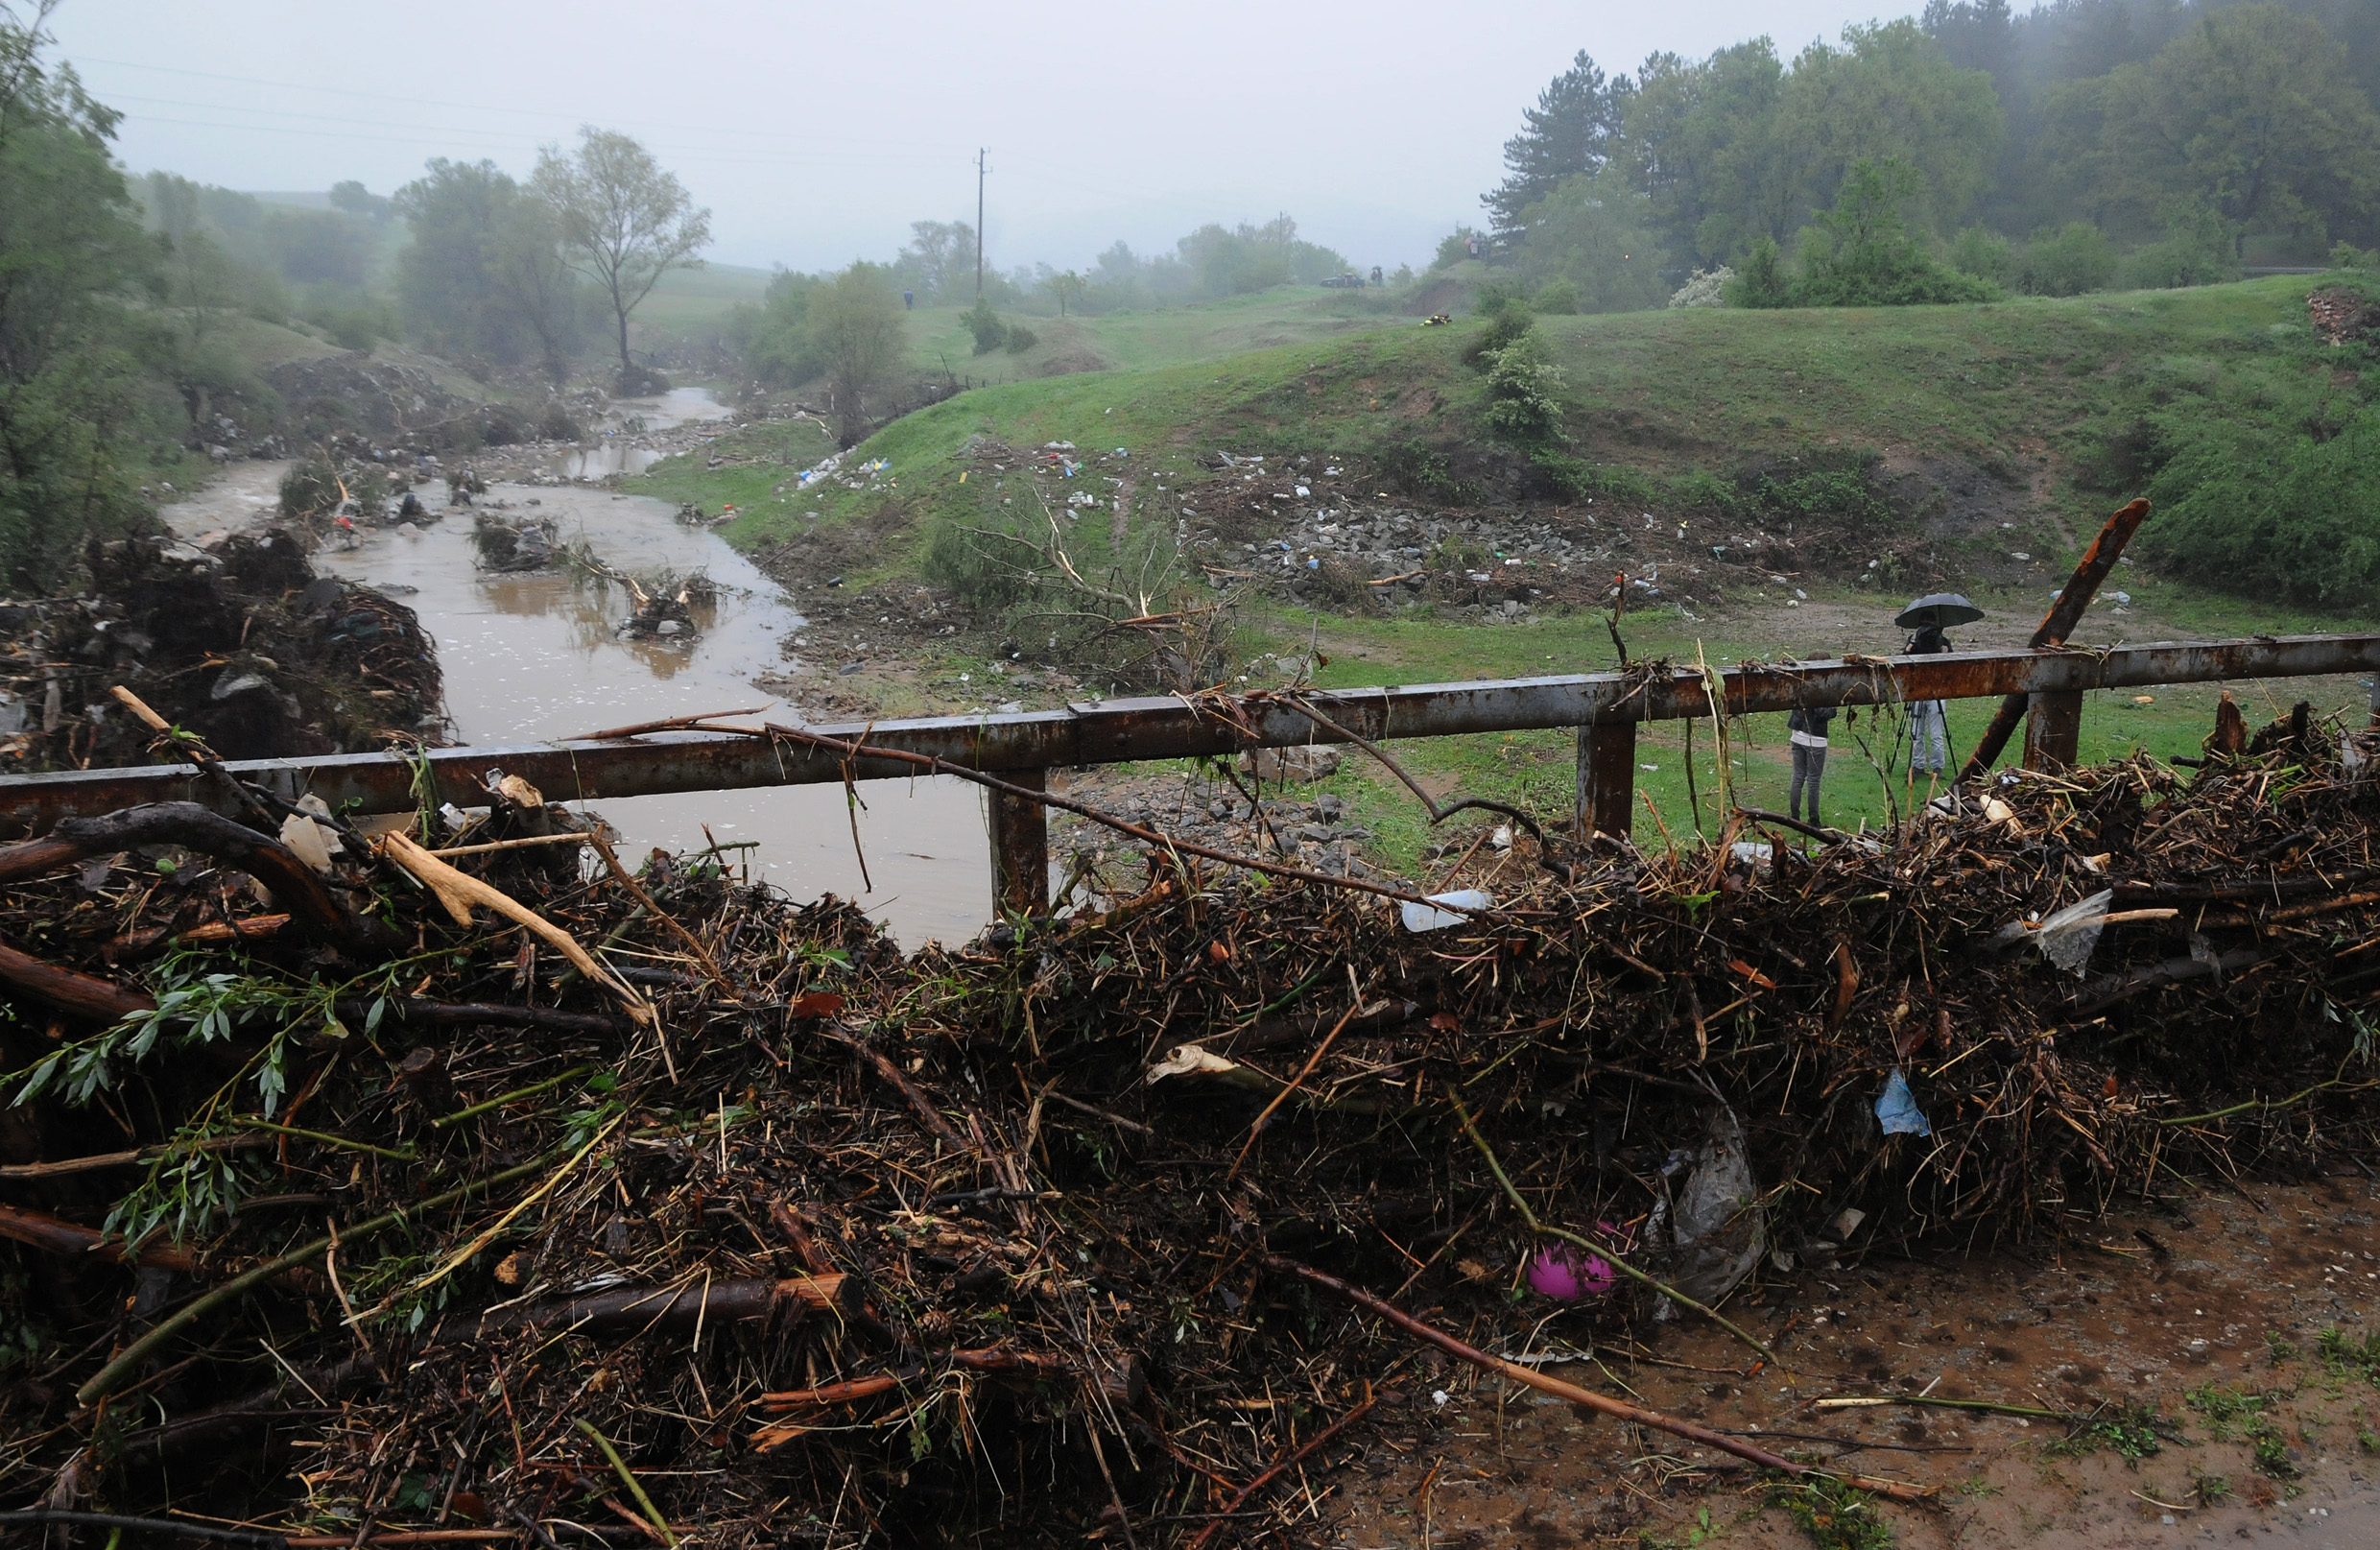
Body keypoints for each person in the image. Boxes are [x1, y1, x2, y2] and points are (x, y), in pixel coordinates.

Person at [1905, 619, 1952, 776]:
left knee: (1926, 732)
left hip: (1932, 690)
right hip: (1923, 691)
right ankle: (1925, 766)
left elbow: (1950, 666)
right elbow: (1905, 660)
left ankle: (1928, 766)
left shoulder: (1941, 642)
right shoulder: (1918, 640)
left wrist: (1945, 652)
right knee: (1922, 732)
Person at [1787, 703, 1835, 824]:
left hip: (1797, 734)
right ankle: (1814, 820)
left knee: (1798, 776)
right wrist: (1833, 708)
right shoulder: (1819, 688)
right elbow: (1822, 713)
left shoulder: (1801, 683)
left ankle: (1794, 817)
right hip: (1815, 739)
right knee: (1813, 780)